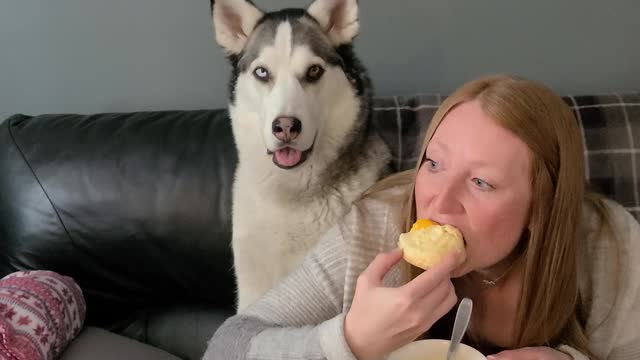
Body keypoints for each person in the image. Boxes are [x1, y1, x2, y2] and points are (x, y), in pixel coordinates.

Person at [203, 75, 640, 360]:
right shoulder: (372, 230)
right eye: (434, 164)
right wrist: (350, 341)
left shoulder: (607, 246)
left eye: (481, 183)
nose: (438, 204)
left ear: (539, 207)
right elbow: (225, 348)